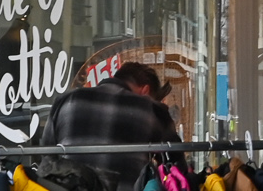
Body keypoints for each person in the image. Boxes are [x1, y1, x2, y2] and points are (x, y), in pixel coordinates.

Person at [47, 60, 181, 184]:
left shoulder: (65, 101)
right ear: (145, 91)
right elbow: (176, 165)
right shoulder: (151, 109)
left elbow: (48, 159)